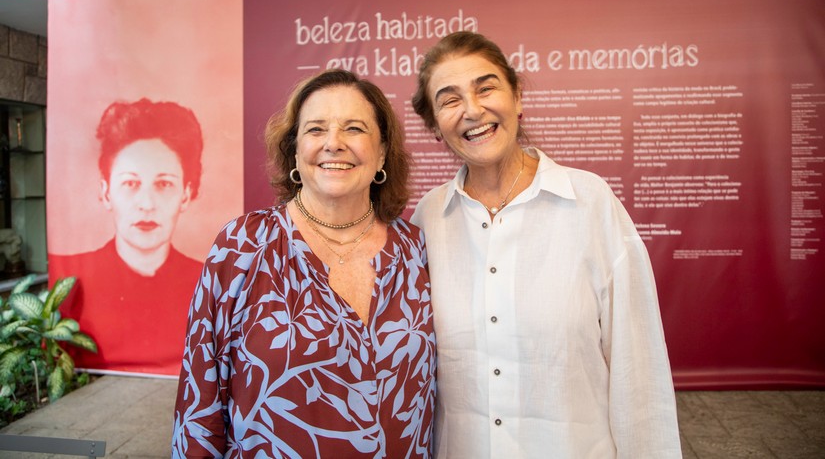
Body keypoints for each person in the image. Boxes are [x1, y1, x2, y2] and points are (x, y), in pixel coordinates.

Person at [411, 31, 681, 457]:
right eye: (449, 100)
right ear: (434, 127)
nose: (472, 110)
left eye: (486, 88)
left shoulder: (590, 202)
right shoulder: (428, 219)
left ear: (517, 96)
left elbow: (638, 367)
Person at [172, 69, 436, 457]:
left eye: (354, 129)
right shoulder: (242, 247)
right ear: (294, 151)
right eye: (316, 129)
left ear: (382, 151)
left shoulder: (416, 249)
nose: (334, 143)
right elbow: (201, 397)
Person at [49, 98, 204, 374]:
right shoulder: (72, 279)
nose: (146, 204)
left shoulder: (208, 282)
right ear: (106, 192)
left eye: (164, 184)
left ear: (186, 194)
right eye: (130, 183)